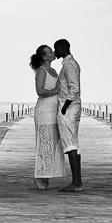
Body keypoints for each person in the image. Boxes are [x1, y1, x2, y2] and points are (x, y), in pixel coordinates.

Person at [29, 45, 62, 189]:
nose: (53, 53)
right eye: (50, 52)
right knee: (44, 143)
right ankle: (40, 176)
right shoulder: (41, 71)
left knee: (52, 143)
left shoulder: (54, 71)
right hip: (44, 111)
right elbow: (40, 91)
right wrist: (55, 91)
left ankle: (45, 173)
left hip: (55, 110)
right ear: (44, 56)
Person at [53, 37, 82, 192]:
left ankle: (76, 183)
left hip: (69, 108)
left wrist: (64, 107)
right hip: (72, 107)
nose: (54, 51)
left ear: (62, 48)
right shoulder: (70, 63)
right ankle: (77, 181)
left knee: (70, 143)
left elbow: (74, 88)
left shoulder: (69, 64)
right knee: (74, 144)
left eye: (56, 49)